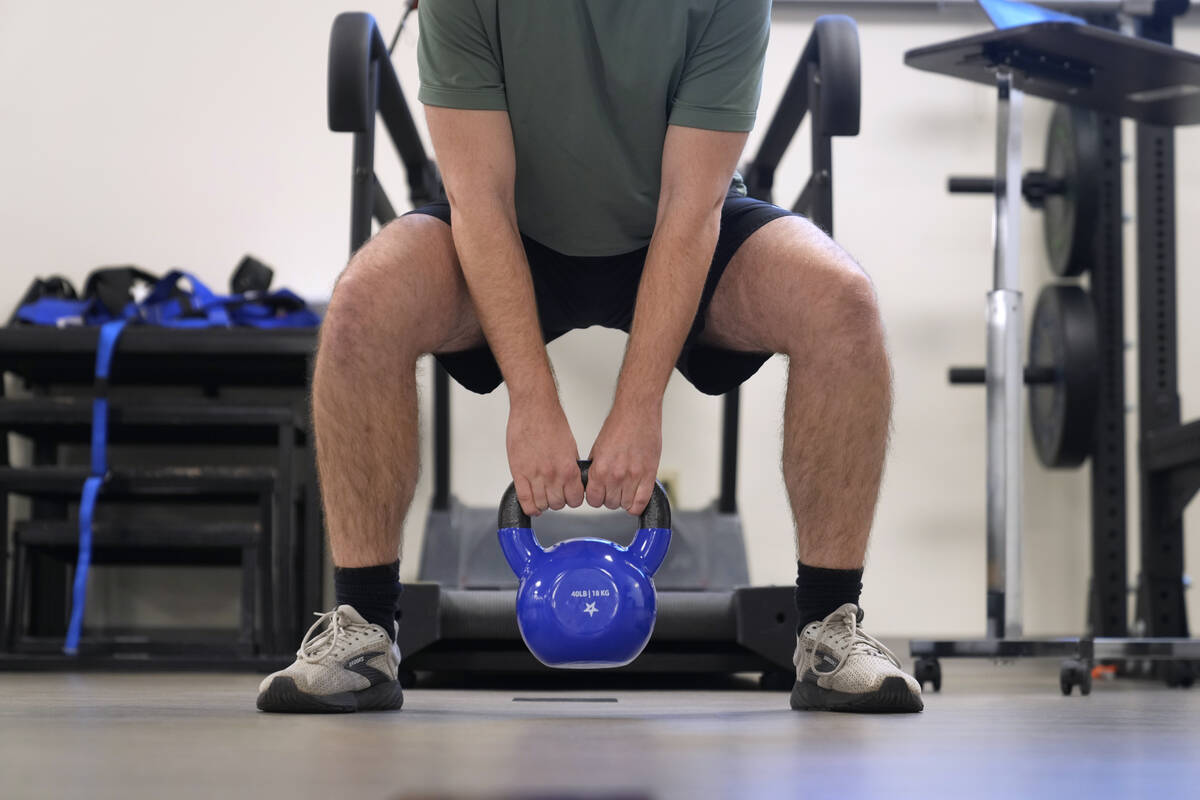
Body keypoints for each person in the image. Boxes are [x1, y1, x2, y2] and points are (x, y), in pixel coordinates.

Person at [257, 0, 922, 714]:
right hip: (510, 228)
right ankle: (362, 629)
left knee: (841, 302)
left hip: (677, 223)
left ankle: (828, 629)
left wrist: (640, 406)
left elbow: (690, 205)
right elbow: (478, 198)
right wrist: (531, 401)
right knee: (363, 306)